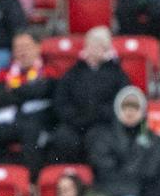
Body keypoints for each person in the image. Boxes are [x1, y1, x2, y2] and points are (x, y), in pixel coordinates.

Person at [89, 85, 160, 196]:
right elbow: (105, 169)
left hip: (142, 191)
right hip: (112, 189)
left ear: (143, 111)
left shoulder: (154, 140)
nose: (130, 112)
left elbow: (152, 170)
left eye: (135, 108)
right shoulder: (103, 136)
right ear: (117, 109)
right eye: (125, 107)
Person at [0, 31, 55, 176]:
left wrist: (14, 92)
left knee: (31, 131)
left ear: (38, 47)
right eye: (18, 48)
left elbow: (45, 91)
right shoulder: (4, 74)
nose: (22, 52)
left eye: (26, 47)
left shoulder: (49, 70)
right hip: (11, 121)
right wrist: (28, 90)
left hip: (37, 122)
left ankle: (31, 182)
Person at [53, 27, 127, 159]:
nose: (94, 49)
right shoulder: (73, 73)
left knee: (98, 141)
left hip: (103, 124)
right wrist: (75, 117)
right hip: (74, 123)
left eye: (100, 45)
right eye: (91, 45)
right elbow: (61, 100)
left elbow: (122, 101)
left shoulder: (117, 74)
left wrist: (99, 114)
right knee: (63, 137)